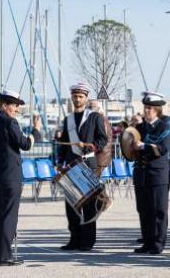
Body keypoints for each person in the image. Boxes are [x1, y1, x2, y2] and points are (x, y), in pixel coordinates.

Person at [0, 89, 34, 266]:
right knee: (8, 215)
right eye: (15, 105)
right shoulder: (10, 122)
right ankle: (4, 256)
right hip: (10, 176)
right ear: (4, 105)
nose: (17, 109)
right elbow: (24, 144)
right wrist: (35, 133)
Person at [56, 82, 109, 252]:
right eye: (75, 96)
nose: (77, 99)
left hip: (88, 163)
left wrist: (89, 146)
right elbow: (63, 143)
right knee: (71, 204)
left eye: (80, 96)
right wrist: (60, 161)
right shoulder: (68, 119)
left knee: (88, 205)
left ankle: (87, 241)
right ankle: (74, 239)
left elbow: (103, 139)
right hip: (71, 165)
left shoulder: (94, 117)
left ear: (86, 98)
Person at [132, 91, 170, 254]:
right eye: (145, 107)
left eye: (150, 108)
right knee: (144, 210)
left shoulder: (164, 126)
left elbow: (163, 148)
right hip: (141, 173)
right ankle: (147, 242)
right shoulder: (139, 127)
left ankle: (158, 243)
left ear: (157, 110)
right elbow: (129, 149)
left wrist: (143, 146)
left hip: (157, 173)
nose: (146, 110)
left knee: (158, 210)